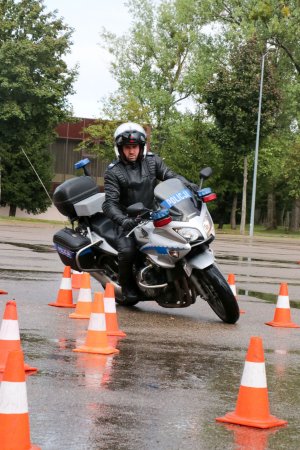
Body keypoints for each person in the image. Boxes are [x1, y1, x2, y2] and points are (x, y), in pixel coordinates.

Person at [102, 122, 198, 301]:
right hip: (128, 220)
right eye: (127, 147)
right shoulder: (114, 172)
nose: (131, 151)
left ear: (142, 147)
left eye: (135, 147)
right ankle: (127, 288)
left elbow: (171, 176)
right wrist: (123, 220)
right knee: (128, 250)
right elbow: (109, 204)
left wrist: (188, 185)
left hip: (154, 214)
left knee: (180, 238)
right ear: (120, 149)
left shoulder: (153, 162)